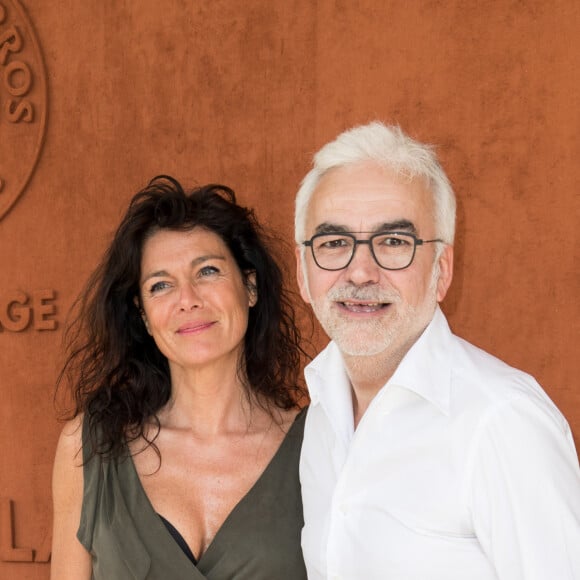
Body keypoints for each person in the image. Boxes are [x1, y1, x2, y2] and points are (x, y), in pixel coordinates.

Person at [294, 122, 580, 579]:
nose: (361, 272)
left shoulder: (501, 422)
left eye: (393, 242)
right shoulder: (321, 415)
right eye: (334, 243)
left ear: (441, 270)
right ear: (302, 273)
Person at [51, 175, 308, 579]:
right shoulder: (88, 450)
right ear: (144, 316)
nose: (187, 299)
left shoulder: (319, 445)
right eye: (161, 285)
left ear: (250, 287)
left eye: (207, 271)